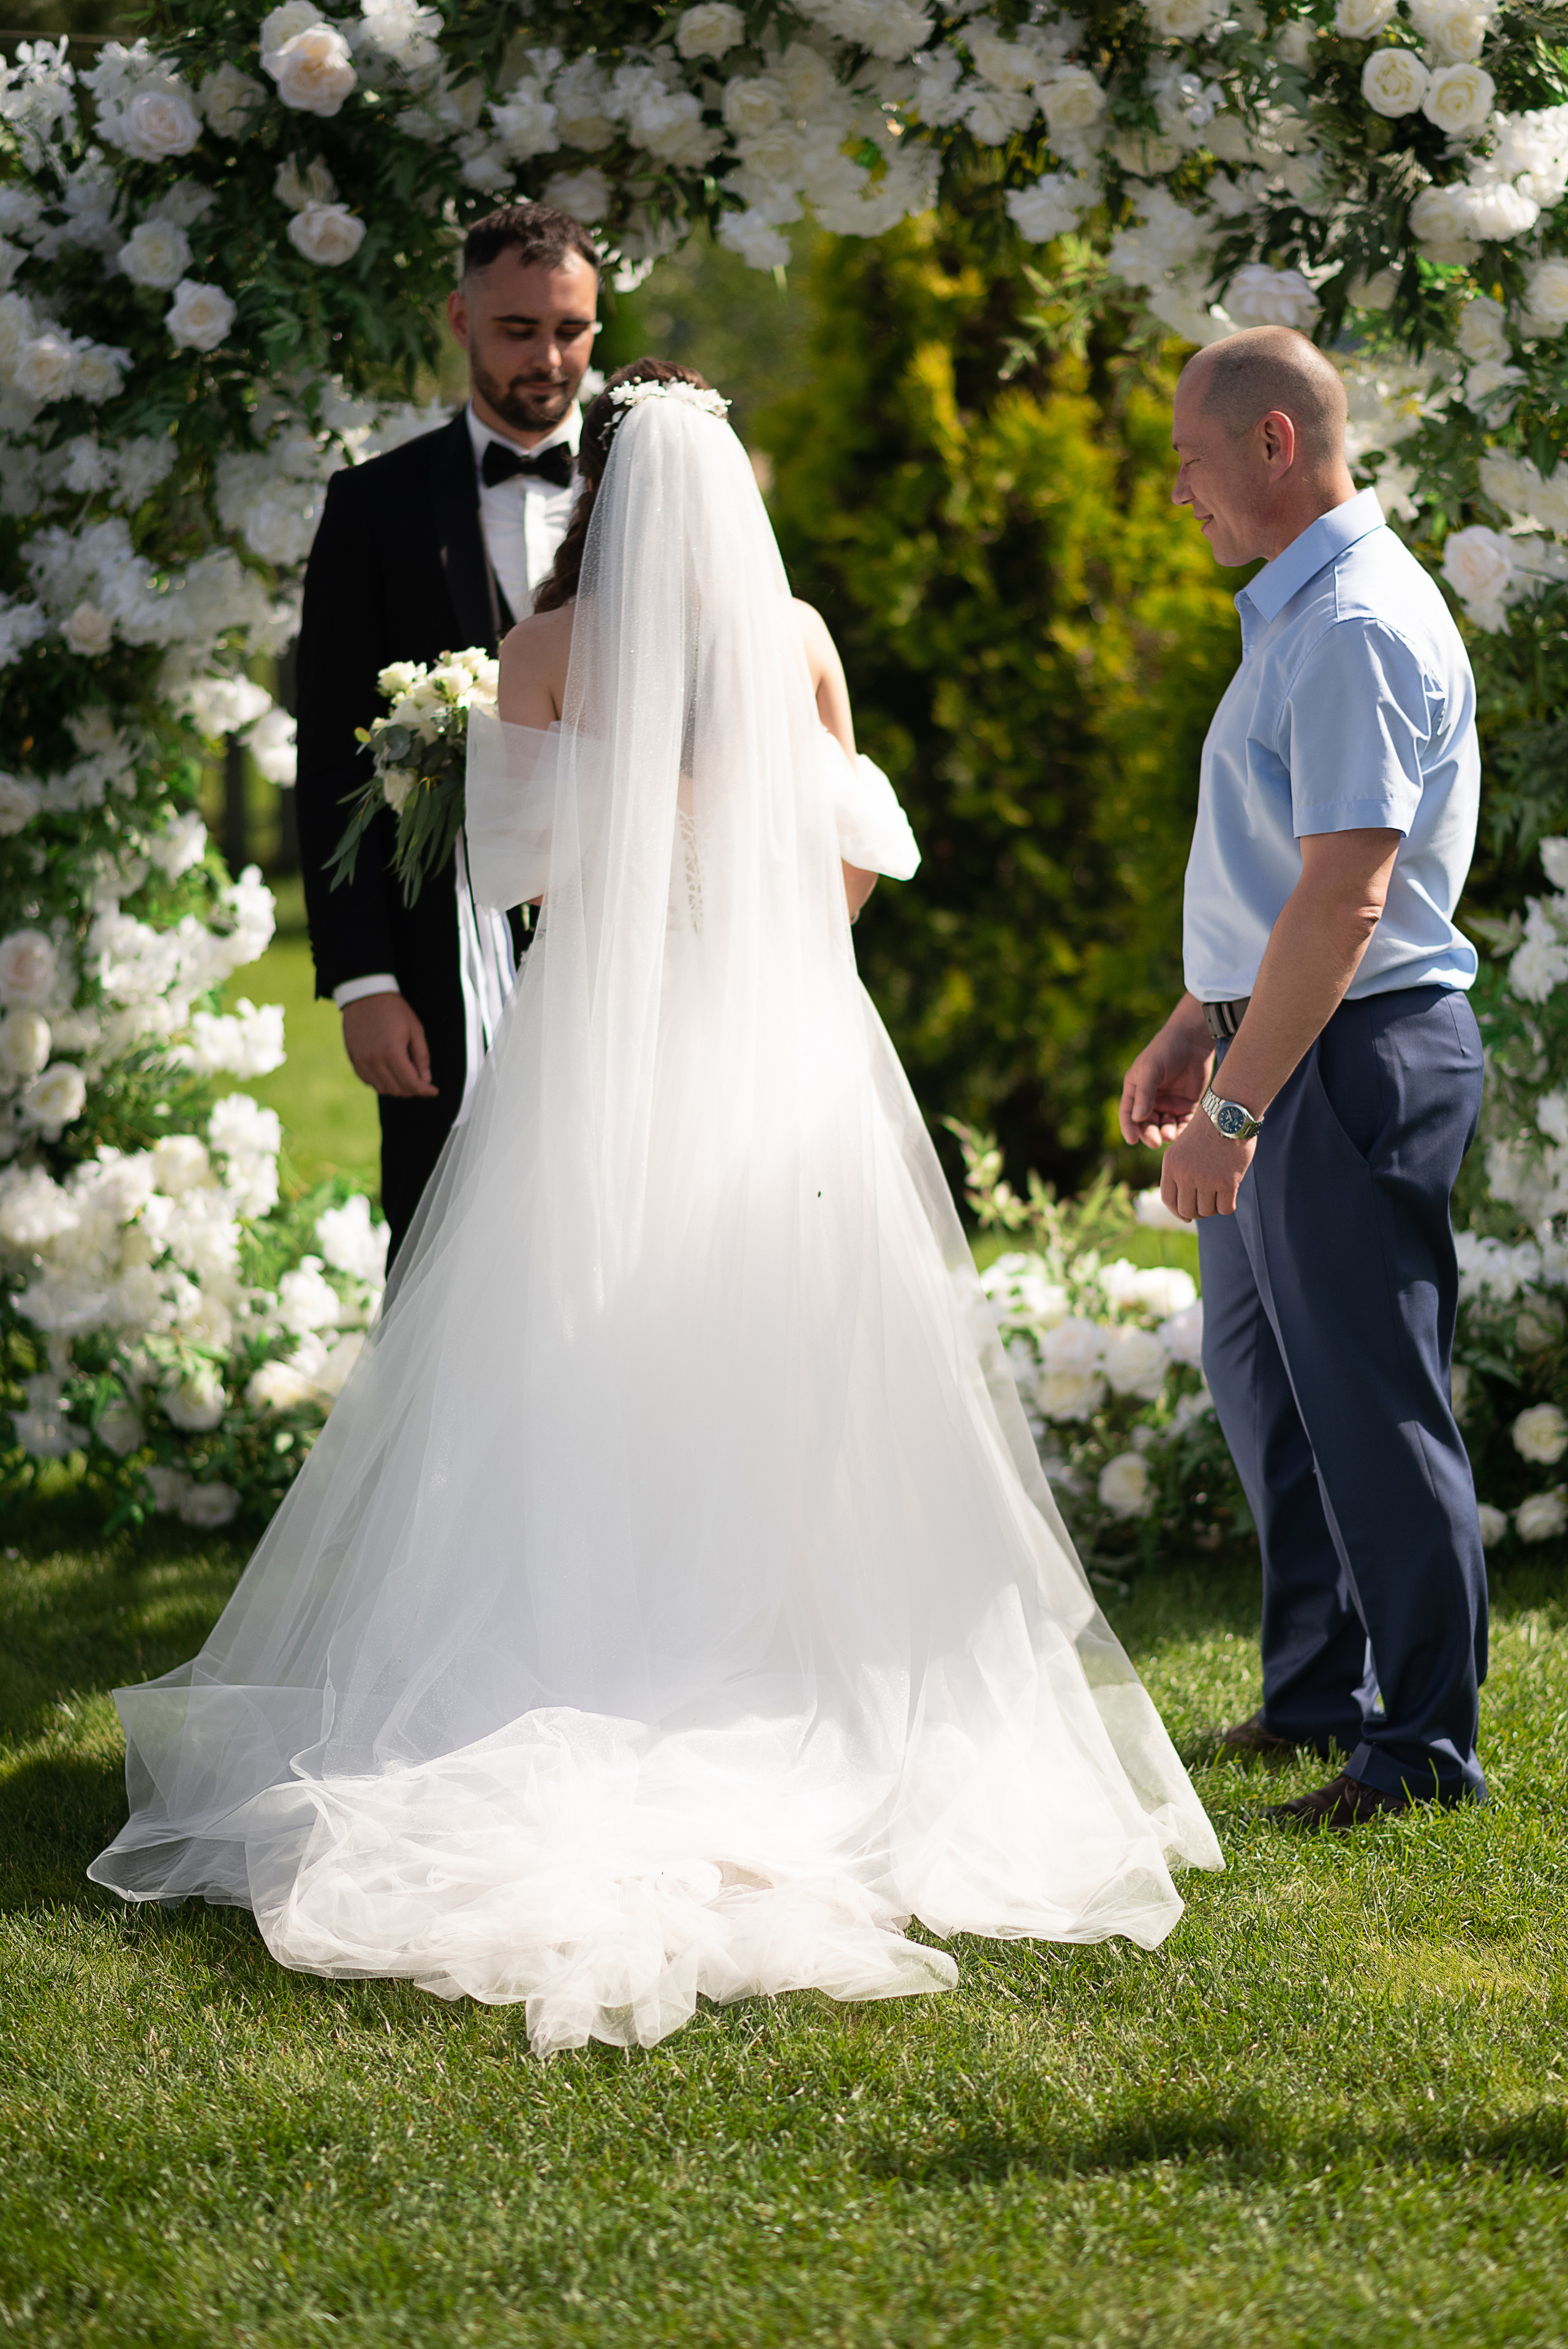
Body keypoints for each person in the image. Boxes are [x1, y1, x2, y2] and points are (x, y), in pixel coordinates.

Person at [88, 360, 1221, 2056]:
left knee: (573, 1344)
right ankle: (800, 1668)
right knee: (797, 1353)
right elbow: (857, 860)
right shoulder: (804, 640)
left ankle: (584, 1648)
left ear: (603, 487)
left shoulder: (546, 656)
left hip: (604, 1055)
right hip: (781, 1042)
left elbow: (516, 874)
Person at [1120, 325, 1486, 1829]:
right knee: (1275, 1394)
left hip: (1346, 1058)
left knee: (1369, 1400)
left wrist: (1233, 1107)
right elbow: (1284, 868)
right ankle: (1315, 1695)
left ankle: (1418, 1756)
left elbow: (1348, 896)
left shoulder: (1348, 625)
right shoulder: (1294, 616)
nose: (1177, 497)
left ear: (1273, 443)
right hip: (1280, 1036)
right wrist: (1199, 1016)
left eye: (1188, 466)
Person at [295, 200, 600, 1268]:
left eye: (571, 330)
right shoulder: (371, 508)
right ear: (461, 318)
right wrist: (366, 981)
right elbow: (332, 756)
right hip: (433, 970)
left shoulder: (652, 495)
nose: (549, 358)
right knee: (437, 1264)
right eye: (519, 329)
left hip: (624, 958)